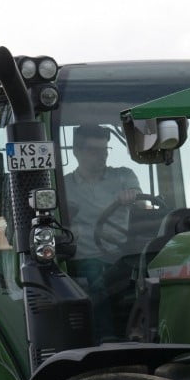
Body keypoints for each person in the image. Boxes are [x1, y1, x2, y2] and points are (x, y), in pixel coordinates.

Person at [63, 124, 140, 338]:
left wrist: (132, 195)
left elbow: (140, 198)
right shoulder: (63, 185)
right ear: (76, 152)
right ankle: (105, 339)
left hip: (122, 255)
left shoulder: (124, 176)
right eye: (94, 151)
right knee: (93, 272)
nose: (102, 156)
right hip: (84, 257)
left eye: (105, 150)